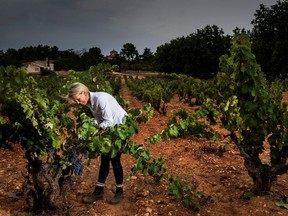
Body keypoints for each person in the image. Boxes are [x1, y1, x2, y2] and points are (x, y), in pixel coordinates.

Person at [67, 82, 128, 205]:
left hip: (120, 129)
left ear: (84, 93)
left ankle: (119, 191)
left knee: (115, 160)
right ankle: (99, 191)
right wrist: (89, 125)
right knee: (104, 159)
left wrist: (93, 132)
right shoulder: (90, 102)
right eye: (76, 101)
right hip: (110, 129)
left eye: (78, 99)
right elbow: (100, 118)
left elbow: (109, 121)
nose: (78, 103)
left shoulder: (100, 99)